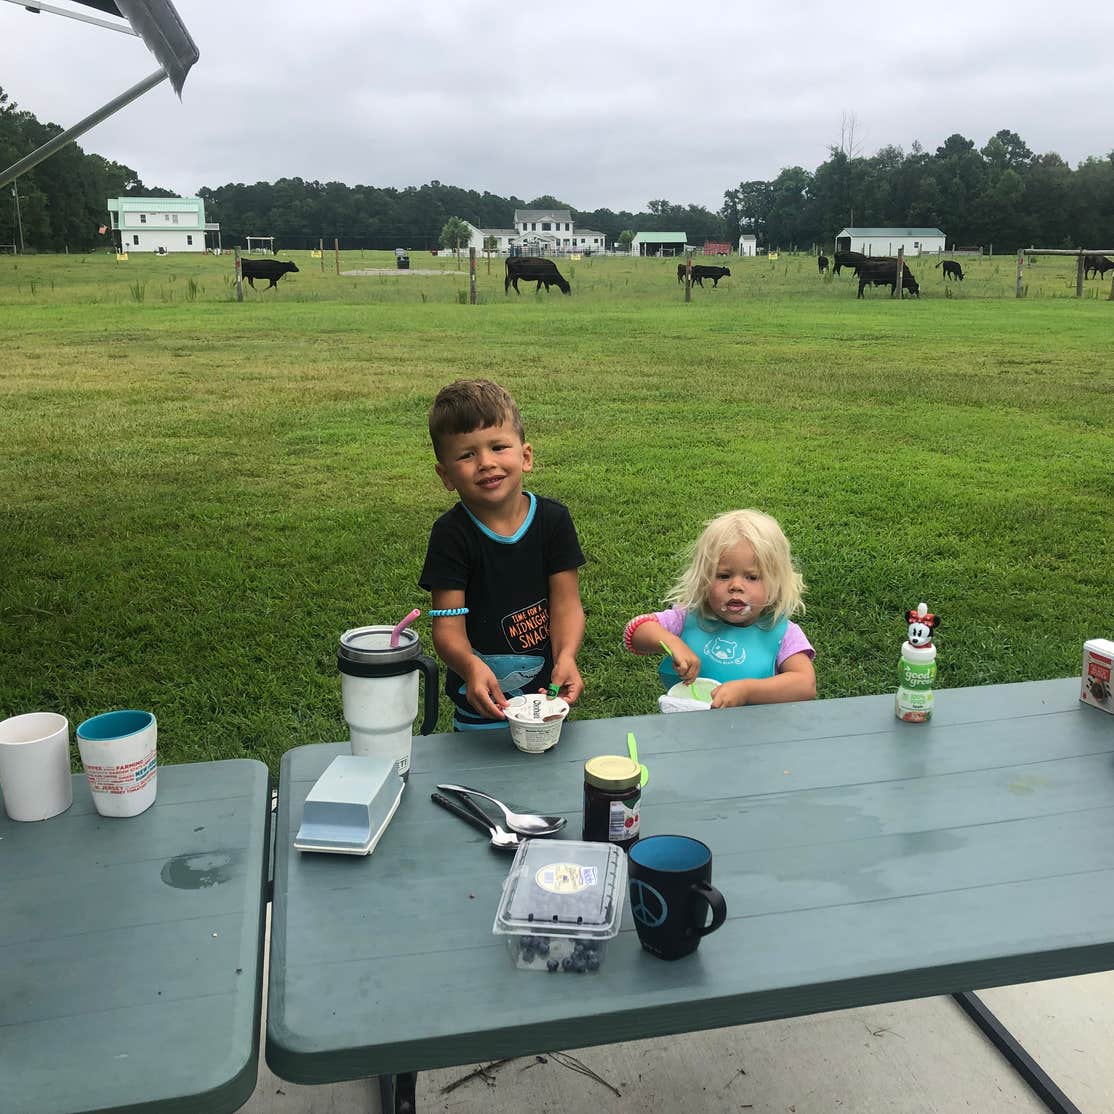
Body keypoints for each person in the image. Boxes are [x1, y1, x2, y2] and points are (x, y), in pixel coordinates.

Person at [419, 379, 586, 731]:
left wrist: (567, 655)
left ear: (525, 456)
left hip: (547, 702)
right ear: (446, 475)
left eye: (498, 447)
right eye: (466, 454)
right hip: (479, 709)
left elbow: (566, 605)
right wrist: (470, 666)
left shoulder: (553, 521)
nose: (485, 463)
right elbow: (447, 626)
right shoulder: (451, 535)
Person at [623, 509, 816, 708]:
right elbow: (636, 630)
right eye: (723, 576)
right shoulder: (690, 617)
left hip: (757, 732)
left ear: (776, 583)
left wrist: (747, 691)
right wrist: (672, 643)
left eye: (752, 577)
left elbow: (805, 684)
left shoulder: (782, 632)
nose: (736, 586)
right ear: (704, 579)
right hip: (689, 728)